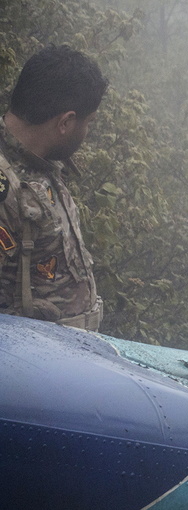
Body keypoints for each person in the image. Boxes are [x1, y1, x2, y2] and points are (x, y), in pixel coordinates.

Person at [1, 46, 107, 330]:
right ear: (66, 122)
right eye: (88, 122)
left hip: (65, 358)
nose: (87, 132)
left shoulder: (42, 163)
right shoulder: (5, 187)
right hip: (27, 365)